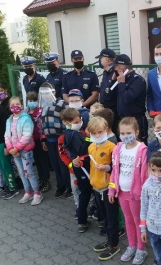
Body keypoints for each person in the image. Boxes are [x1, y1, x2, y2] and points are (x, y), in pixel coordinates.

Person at [108, 117, 149, 264]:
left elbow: (145, 175)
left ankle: (141, 249)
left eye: (129, 132)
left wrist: (144, 194)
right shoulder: (117, 148)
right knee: (128, 220)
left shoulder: (142, 150)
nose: (126, 136)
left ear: (136, 132)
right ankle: (132, 246)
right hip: (122, 193)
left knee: (138, 221)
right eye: (123, 133)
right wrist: (111, 191)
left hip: (136, 194)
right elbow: (114, 172)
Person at [85, 117, 120, 261]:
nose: (98, 135)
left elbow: (117, 169)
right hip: (96, 187)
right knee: (104, 217)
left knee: (112, 218)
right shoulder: (91, 147)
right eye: (94, 133)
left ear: (106, 130)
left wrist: (107, 168)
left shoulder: (112, 147)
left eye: (100, 132)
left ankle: (114, 244)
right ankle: (108, 239)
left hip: (108, 188)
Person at [4, 96, 43, 206]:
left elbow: (27, 135)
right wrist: (10, 148)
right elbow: (7, 135)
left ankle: (37, 193)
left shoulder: (26, 118)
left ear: (21, 106)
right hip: (14, 151)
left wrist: (16, 148)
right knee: (21, 172)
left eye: (17, 104)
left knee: (29, 172)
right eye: (12, 105)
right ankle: (28, 191)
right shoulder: (9, 120)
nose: (14, 107)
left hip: (25, 151)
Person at [60, 108, 93, 233]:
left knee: (84, 192)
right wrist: (89, 138)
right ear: (67, 122)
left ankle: (82, 219)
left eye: (80, 120)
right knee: (85, 192)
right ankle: (82, 220)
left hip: (78, 166)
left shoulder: (70, 133)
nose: (79, 123)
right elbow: (81, 150)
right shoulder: (73, 134)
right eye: (76, 121)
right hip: (82, 166)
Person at [39, 83, 74, 199]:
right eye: (43, 93)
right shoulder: (43, 105)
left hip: (60, 139)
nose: (45, 95)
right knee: (55, 165)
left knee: (63, 164)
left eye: (47, 92)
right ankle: (61, 187)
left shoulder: (62, 104)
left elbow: (69, 119)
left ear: (53, 92)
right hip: (50, 140)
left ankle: (69, 187)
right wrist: (43, 138)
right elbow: (42, 124)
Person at [112, 54, 148, 144]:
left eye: (116, 67)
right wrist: (114, 81)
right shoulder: (121, 79)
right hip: (123, 119)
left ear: (122, 68)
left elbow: (128, 98)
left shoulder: (137, 80)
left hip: (135, 118)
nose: (114, 69)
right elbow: (109, 94)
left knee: (138, 144)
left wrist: (122, 83)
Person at [25, 91, 51, 192]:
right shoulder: (25, 113)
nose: (32, 102)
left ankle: (46, 180)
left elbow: (44, 126)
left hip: (40, 140)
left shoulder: (41, 111)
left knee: (43, 160)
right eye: (30, 100)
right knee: (37, 161)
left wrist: (44, 139)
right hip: (31, 141)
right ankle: (41, 179)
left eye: (34, 100)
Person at [96, 48, 119, 133]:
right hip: (104, 110)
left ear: (107, 59)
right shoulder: (106, 73)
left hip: (113, 112)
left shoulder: (115, 73)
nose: (99, 61)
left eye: (100, 58)